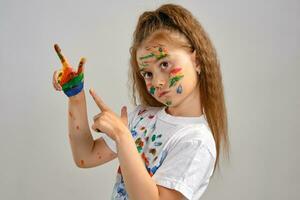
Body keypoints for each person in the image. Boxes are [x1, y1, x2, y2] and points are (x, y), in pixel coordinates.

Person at [52, 3, 229, 200]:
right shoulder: (141, 118)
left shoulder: (197, 141)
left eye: (165, 63)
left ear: (196, 60)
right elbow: (85, 156)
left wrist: (122, 137)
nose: (158, 82)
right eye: (148, 73)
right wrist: (76, 96)